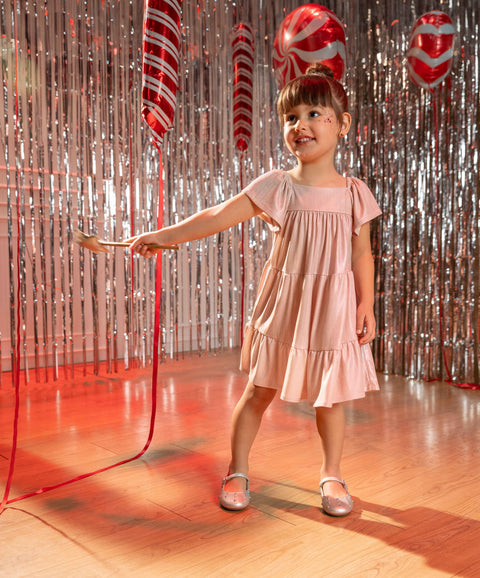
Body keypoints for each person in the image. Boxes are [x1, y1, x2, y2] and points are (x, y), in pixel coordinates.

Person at [128, 63, 382, 517]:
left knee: (331, 397)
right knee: (258, 390)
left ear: (343, 124)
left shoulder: (353, 192)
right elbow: (217, 215)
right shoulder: (279, 186)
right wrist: (164, 235)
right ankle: (238, 468)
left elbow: (362, 254)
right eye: (290, 117)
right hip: (286, 305)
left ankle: (332, 474)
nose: (300, 125)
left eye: (313, 113)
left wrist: (367, 303)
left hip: (333, 308)